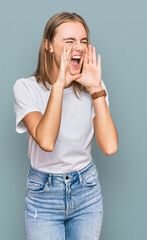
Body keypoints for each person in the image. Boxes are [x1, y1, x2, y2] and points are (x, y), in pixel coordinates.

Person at [13, 12, 118, 240]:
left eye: (83, 41)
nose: (78, 48)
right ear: (48, 45)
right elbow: (46, 141)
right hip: (44, 194)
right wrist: (59, 85)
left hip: (86, 191)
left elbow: (109, 146)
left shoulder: (95, 88)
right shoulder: (26, 89)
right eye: (69, 41)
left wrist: (96, 89)